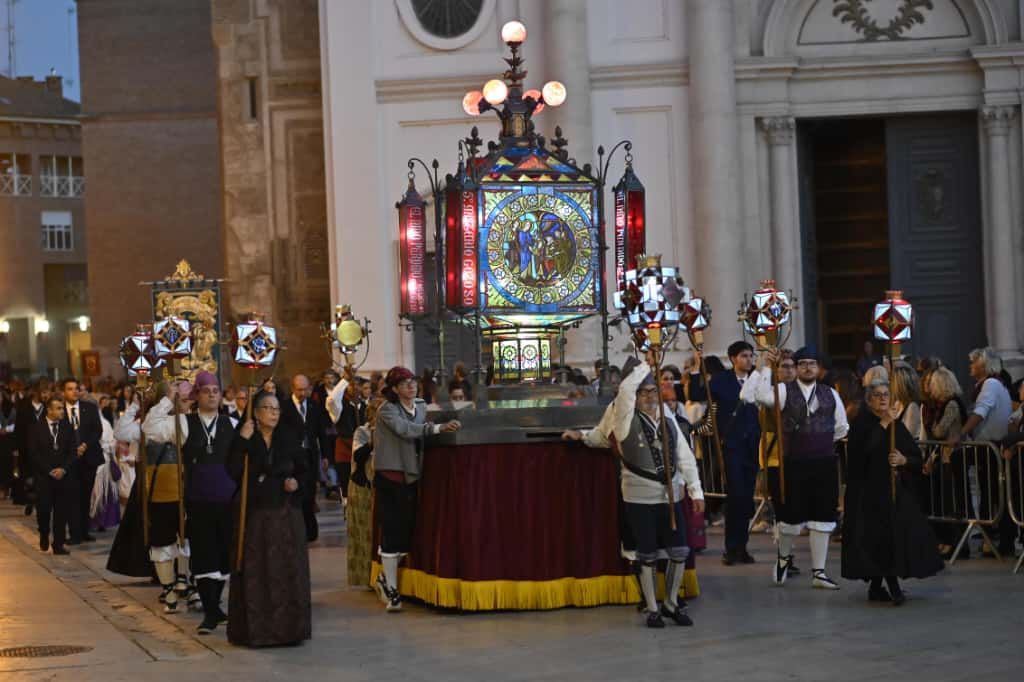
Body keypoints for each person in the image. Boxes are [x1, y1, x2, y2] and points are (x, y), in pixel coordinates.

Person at [741, 346, 849, 590]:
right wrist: (766, 367)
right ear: (797, 368)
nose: (808, 367)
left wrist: (817, 443)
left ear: (819, 368)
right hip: (793, 463)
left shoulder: (831, 393)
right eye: (802, 364)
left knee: (823, 517)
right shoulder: (782, 390)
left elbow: (841, 428)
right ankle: (783, 559)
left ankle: (819, 572)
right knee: (789, 516)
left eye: (812, 363)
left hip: (823, 463)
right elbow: (758, 396)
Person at [610, 357, 704, 628]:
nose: (649, 397)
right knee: (647, 553)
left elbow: (685, 456)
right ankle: (652, 608)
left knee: (679, 550)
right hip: (639, 497)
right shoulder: (624, 419)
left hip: (671, 495)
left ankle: (671, 603)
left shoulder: (669, 419)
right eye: (643, 392)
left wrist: (696, 491)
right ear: (635, 396)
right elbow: (625, 392)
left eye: (653, 391)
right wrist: (645, 366)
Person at [145, 372, 237, 634]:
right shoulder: (183, 423)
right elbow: (148, 429)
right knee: (204, 555)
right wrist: (168, 399)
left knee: (224, 557)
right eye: (206, 390)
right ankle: (209, 612)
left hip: (227, 501)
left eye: (215, 390)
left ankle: (216, 607)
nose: (211, 394)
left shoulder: (232, 423)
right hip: (198, 501)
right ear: (196, 395)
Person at [842, 377, 944, 604]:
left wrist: (903, 459)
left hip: (895, 493)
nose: (882, 399)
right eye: (877, 395)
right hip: (868, 495)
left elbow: (916, 458)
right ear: (869, 401)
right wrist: (884, 423)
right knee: (880, 540)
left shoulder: (897, 425)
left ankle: (877, 588)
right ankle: (894, 589)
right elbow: (864, 454)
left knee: (894, 540)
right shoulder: (862, 424)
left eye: (886, 395)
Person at [373, 367, 460, 612]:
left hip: (411, 477)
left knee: (406, 532)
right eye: (405, 384)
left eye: (413, 382)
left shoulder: (420, 405)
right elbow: (406, 430)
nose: (411, 387)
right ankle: (390, 589)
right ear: (394, 389)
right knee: (391, 532)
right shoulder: (387, 410)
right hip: (390, 477)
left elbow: (425, 424)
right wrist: (436, 429)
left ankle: (384, 578)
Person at [228, 390, 311, 647]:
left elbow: (305, 470)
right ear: (255, 411)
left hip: (286, 515)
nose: (274, 413)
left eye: (276, 409)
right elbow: (233, 471)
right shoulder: (245, 436)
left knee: (286, 570)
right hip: (256, 516)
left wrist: (296, 482)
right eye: (268, 408)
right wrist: (242, 441)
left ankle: (288, 630)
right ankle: (257, 630)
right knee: (257, 570)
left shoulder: (287, 438)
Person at [690, 341, 760, 565]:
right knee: (735, 496)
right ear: (732, 359)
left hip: (753, 446)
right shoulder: (721, 381)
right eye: (743, 356)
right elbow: (695, 393)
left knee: (747, 499)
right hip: (731, 445)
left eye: (750, 356)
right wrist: (695, 366)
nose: (748, 360)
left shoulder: (758, 380)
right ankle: (731, 548)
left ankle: (742, 547)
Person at [140, 380, 196, 613]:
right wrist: (166, 400)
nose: (187, 402)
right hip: (163, 489)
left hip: (192, 489)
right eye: (181, 398)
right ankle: (169, 588)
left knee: (188, 539)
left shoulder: (195, 420)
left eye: (188, 397)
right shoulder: (166, 421)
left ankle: (188, 581)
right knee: (164, 540)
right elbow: (148, 427)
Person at [957, 347, 1013, 556]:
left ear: (984, 365)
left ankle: (994, 535)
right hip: (988, 447)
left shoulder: (990, 384)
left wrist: (961, 433)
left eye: (974, 363)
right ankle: (990, 532)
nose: (970, 366)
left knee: (993, 493)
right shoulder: (993, 384)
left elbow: (981, 412)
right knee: (992, 493)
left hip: (991, 447)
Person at [756, 350, 800, 574]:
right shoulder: (770, 392)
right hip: (775, 453)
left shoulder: (803, 391)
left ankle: (788, 554)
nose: (789, 370)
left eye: (792, 366)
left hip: (798, 453)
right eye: (784, 366)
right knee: (782, 508)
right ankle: (784, 556)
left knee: (793, 508)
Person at [921, 367, 968, 559]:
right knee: (946, 501)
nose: (930, 389)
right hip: (945, 457)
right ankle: (948, 541)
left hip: (953, 457)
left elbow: (939, 431)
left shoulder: (951, 405)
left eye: (932, 385)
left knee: (954, 501)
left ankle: (958, 544)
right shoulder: (943, 405)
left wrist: (931, 423)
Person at [279, 374, 331, 542]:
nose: (303, 393)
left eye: (305, 389)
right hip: (292, 457)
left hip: (310, 455)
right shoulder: (284, 407)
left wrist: (326, 456)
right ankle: (297, 528)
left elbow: (321, 432)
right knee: (297, 493)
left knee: (310, 491)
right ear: (293, 389)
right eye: (299, 389)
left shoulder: (315, 406)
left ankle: (310, 530)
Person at [347, 397, 385, 588]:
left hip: (380, 486)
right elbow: (358, 455)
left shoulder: (389, 433)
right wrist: (371, 443)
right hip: (362, 487)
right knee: (364, 534)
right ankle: (366, 577)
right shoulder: (362, 431)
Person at [61, 377, 104, 544]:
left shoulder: (89, 408)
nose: (74, 392)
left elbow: (97, 430)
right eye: (70, 389)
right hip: (69, 460)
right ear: (64, 392)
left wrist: (85, 445)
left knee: (85, 496)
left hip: (89, 458)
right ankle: (74, 534)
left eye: (76, 388)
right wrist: (73, 449)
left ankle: (85, 530)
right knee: (72, 497)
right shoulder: (60, 410)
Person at [31, 397, 76, 555]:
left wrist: (63, 469)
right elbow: (34, 453)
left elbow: (72, 451)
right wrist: (49, 470)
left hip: (63, 477)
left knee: (61, 512)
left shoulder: (67, 427)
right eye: (58, 408)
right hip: (44, 477)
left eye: (62, 408)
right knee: (44, 510)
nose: (62, 411)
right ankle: (44, 533)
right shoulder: (37, 427)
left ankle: (58, 544)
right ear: (49, 410)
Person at [326, 368, 366, 509]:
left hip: (363, 452)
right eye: (351, 385)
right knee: (347, 488)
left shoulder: (365, 406)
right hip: (345, 452)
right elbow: (331, 400)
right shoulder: (339, 407)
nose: (354, 387)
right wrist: (344, 380)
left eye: (357, 384)